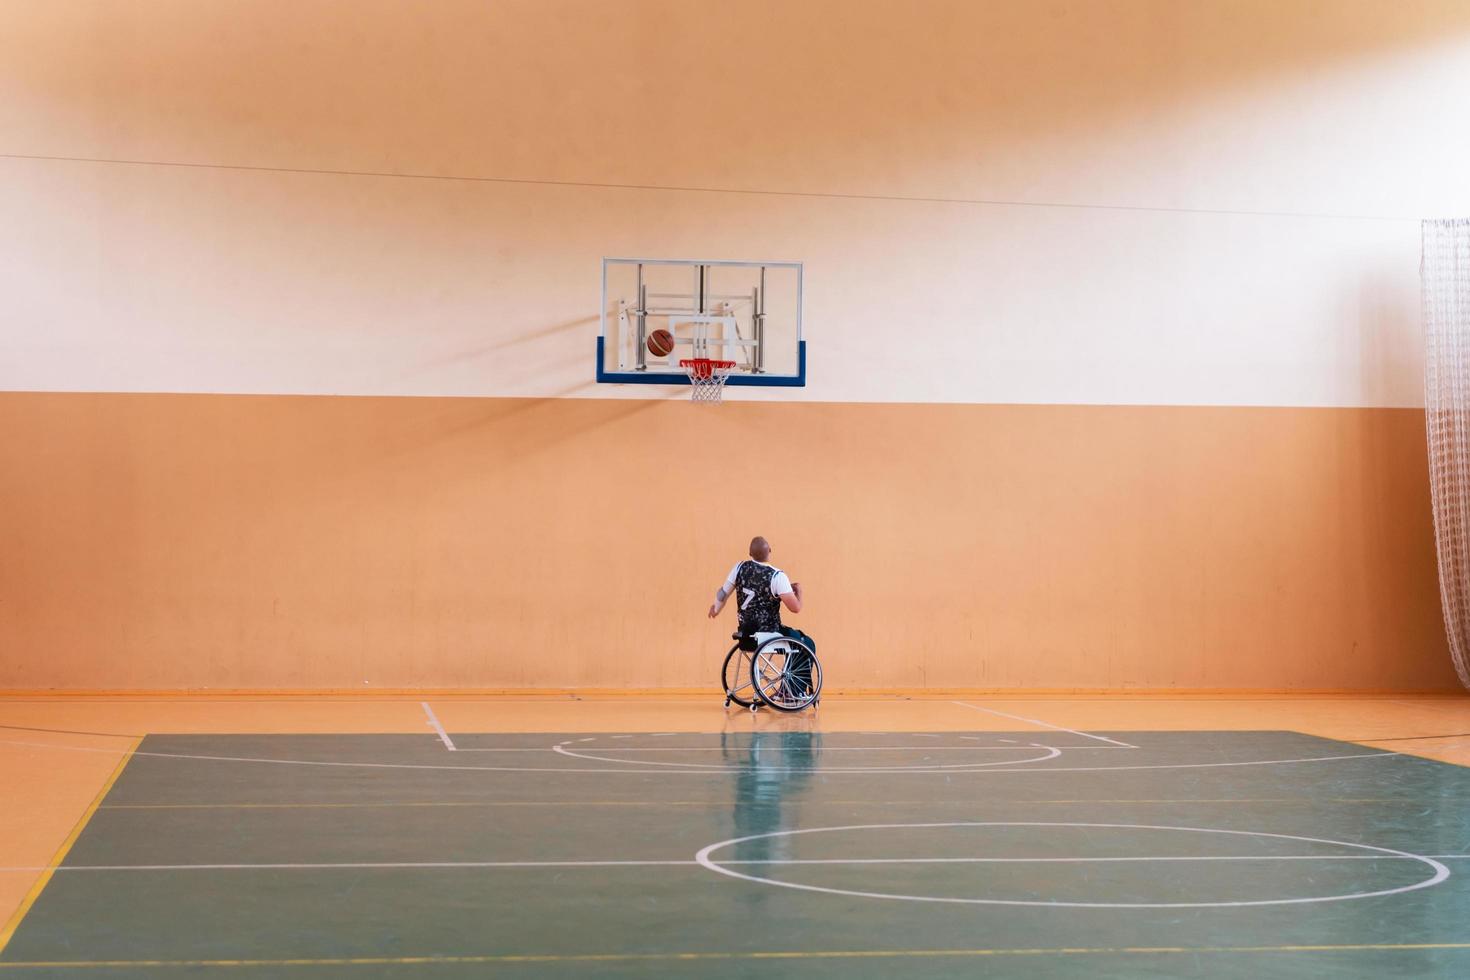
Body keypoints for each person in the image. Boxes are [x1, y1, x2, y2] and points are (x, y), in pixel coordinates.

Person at [708, 537, 816, 682]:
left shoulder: (739, 567)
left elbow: (722, 593)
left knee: (797, 638)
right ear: (770, 551)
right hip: (769, 633)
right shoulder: (777, 576)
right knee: (806, 643)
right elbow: (796, 608)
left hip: (746, 633)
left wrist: (716, 608)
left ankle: (788, 691)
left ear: (749, 553)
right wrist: (799, 592)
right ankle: (791, 692)